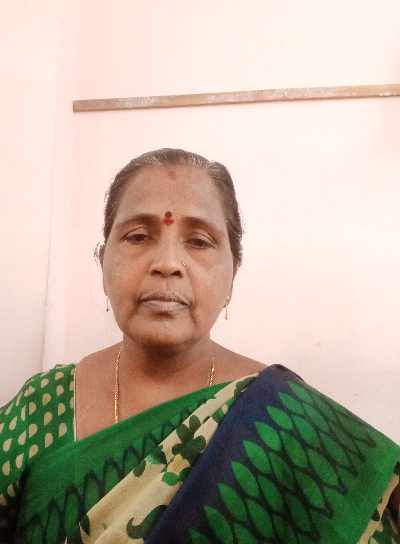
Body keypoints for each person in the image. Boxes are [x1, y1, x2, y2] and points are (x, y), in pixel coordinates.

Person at [0, 148, 399, 544]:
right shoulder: (43, 408)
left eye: (199, 241)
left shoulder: (288, 425)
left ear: (232, 273)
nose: (167, 263)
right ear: (102, 263)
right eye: (138, 236)